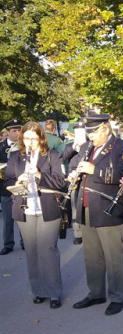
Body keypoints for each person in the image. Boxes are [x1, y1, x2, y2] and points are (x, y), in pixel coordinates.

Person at [70, 113, 123, 315]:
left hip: (109, 209)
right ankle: (96, 293)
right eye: (88, 133)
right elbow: (74, 166)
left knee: (113, 256)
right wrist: (73, 174)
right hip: (86, 206)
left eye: (93, 132)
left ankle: (117, 296)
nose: (90, 137)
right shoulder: (85, 148)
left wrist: (93, 169)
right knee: (92, 256)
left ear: (105, 128)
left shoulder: (122, 147)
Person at [5, 121, 66, 308]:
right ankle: (38, 290)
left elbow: (60, 182)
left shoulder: (52, 156)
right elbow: (7, 179)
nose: (29, 141)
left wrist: (39, 175)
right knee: (32, 251)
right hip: (25, 208)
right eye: (26, 137)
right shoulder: (15, 156)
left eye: (33, 137)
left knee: (48, 250)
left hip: (47, 208)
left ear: (41, 138)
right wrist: (18, 182)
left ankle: (54, 292)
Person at [0, 119, 23, 255]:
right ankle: (8, 244)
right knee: (8, 218)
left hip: (21, 187)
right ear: (7, 132)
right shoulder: (1, 147)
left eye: (19, 130)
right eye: (14, 131)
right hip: (5, 188)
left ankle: (25, 242)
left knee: (22, 217)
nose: (17, 133)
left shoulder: (24, 146)